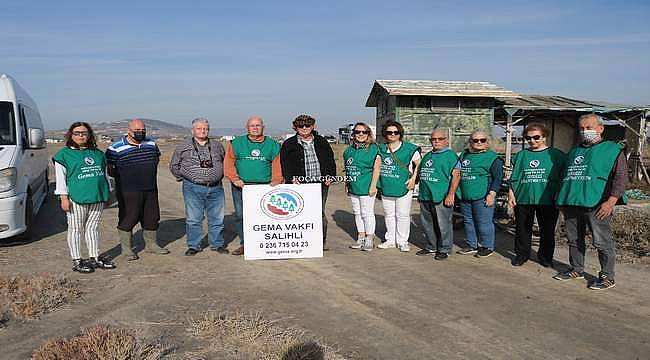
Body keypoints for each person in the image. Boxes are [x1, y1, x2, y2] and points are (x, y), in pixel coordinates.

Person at [554, 114, 628, 290]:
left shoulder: (612, 150)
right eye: (582, 128)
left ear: (601, 128)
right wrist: (561, 199)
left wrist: (611, 201)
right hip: (573, 201)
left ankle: (607, 276)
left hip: (598, 203)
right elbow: (567, 177)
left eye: (589, 127)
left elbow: (621, 177)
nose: (585, 131)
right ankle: (576, 269)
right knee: (574, 239)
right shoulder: (574, 151)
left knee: (602, 241)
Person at [53, 122, 116, 273]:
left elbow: (105, 175)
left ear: (89, 135)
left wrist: (107, 193)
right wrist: (63, 198)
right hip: (76, 198)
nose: (81, 136)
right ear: (71, 135)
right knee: (75, 229)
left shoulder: (98, 154)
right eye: (77, 133)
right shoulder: (63, 155)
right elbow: (61, 179)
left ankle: (94, 257)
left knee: (93, 228)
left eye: (84, 133)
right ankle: (77, 260)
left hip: (97, 196)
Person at [106, 118, 169, 260]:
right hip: (128, 190)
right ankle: (127, 249)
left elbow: (156, 160)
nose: (140, 133)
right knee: (129, 217)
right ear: (128, 131)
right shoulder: (115, 148)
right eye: (137, 131)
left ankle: (152, 245)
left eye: (143, 130)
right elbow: (110, 169)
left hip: (150, 188)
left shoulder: (151, 144)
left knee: (152, 217)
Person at [508, 123, 566, 267]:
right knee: (522, 229)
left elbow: (563, 177)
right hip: (524, 197)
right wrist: (511, 194)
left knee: (547, 230)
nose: (532, 141)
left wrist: (560, 194)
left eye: (536, 137)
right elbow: (514, 177)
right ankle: (522, 255)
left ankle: (545, 257)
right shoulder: (522, 155)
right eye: (528, 138)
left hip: (547, 198)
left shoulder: (556, 155)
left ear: (545, 137)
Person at [224, 116, 282, 256]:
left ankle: (265, 244)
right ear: (247, 128)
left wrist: (276, 180)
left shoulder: (273, 144)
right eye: (252, 126)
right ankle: (246, 244)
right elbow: (228, 163)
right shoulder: (236, 143)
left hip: (265, 187)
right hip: (242, 186)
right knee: (241, 216)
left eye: (258, 125)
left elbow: (277, 164)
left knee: (265, 216)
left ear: (263, 127)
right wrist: (234, 178)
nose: (255, 128)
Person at [170, 117, 227, 256]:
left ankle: (217, 244)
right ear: (193, 130)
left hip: (216, 187)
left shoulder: (217, 145)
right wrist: (185, 178)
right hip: (193, 188)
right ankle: (194, 246)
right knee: (194, 219)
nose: (203, 131)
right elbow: (174, 166)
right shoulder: (183, 146)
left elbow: (223, 160)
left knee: (217, 218)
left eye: (206, 128)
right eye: (199, 128)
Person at [280, 114, 336, 250]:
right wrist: (291, 178)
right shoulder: (289, 144)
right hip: (299, 185)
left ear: (313, 126)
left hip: (320, 184)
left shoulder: (322, 141)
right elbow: (284, 164)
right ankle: (301, 242)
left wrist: (330, 175)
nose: (304, 128)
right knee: (298, 213)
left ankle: (320, 243)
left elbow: (330, 160)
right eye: (301, 126)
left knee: (319, 213)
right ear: (295, 127)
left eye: (307, 125)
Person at [456, 130, 504, 258]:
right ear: (470, 142)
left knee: (484, 222)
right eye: (475, 140)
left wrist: (492, 194)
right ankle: (472, 244)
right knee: (468, 221)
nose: (478, 142)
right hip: (465, 195)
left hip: (482, 195)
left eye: (482, 140)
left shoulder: (493, 158)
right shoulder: (464, 155)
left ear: (487, 142)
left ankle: (487, 246)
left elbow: (497, 178)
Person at [376, 121, 421, 252]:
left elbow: (419, 164)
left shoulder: (409, 148)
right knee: (389, 214)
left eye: (395, 132)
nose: (392, 135)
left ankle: (402, 241)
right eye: (389, 132)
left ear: (400, 133)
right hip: (387, 186)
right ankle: (390, 240)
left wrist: (413, 179)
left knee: (402, 215)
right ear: (385, 133)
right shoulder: (381, 148)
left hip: (404, 187)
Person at [416, 129, 461, 260]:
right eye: (433, 139)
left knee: (443, 224)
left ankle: (445, 248)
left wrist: (451, 194)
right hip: (426, 196)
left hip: (441, 196)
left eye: (440, 139)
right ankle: (431, 246)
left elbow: (456, 175)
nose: (436, 141)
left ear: (446, 140)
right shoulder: (428, 155)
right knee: (427, 224)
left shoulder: (450, 156)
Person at [343, 122, 380, 251]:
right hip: (354, 186)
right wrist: (347, 184)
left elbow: (377, 168)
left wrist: (373, 186)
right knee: (357, 213)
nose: (360, 134)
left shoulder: (374, 149)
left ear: (368, 134)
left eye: (364, 132)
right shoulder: (349, 150)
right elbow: (348, 169)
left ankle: (370, 238)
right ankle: (361, 237)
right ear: (353, 134)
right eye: (358, 132)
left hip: (367, 186)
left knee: (367, 212)